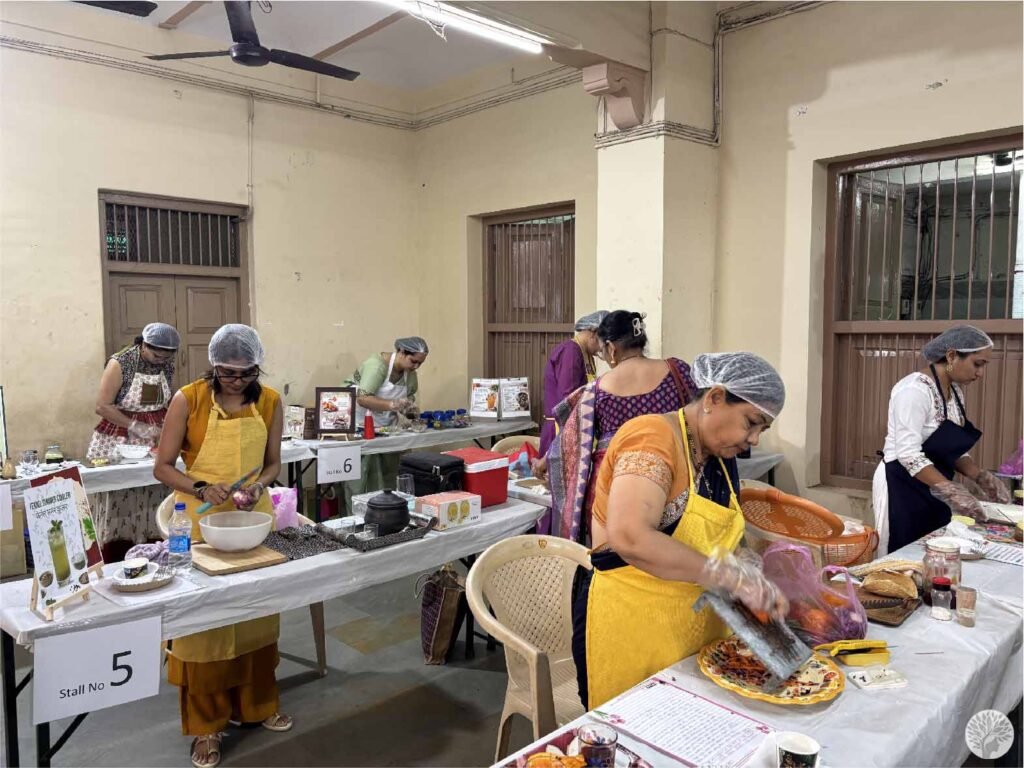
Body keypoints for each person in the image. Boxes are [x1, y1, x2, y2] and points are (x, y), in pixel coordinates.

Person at [572, 352, 789, 709]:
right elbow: (630, 537)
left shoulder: (719, 459)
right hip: (632, 629)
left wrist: (750, 572)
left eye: (761, 430)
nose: (753, 439)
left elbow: (725, 542)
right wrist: (730, 578)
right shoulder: (653, 436)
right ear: (715, 398)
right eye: (751, 422)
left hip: (693, 635)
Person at [154, 324, 291, 768]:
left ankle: (257, 706)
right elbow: (162, 467)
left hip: (251, 519)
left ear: (257, 368)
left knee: (255, 614)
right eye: (226, 373)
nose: (235, 381)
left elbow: (272, 465)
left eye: (245, 373)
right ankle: (206, 727)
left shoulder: (269, 401)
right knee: (206, 627)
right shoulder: (188, 399)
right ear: (213, 367)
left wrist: (256, 486)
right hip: (199, 524)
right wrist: (199, 485)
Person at [536, 311, 698, 540]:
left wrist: (544, 463)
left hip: (613, 486)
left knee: (620, 553)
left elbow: (569, 442)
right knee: (667, 547)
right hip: (672, 480)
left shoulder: (597, 390)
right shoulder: (677, 370)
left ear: (611, 348)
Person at [872, 325, 1011, 556]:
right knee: (902, 554)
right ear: (952, 355)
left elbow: (950, 448)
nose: (980, 373)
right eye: (977, 364)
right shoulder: (913, 390)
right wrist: (951, 490)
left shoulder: (955, 392)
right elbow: (908, 455)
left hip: (933, 487)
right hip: (902, 487)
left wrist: (980, 476)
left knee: (935, 555)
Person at [86, 322, 180, 562]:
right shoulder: (121, 362)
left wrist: (168, 428)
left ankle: (154, 550)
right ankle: (116, 555)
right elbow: (102, 406)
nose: (160, 361)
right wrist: (135, 426)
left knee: (154, 488)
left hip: (155, 433)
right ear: (143, 345)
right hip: (119, 433)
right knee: (120, 494)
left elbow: (167, 400)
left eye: (166, 357)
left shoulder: (165, 365)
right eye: (156, 355)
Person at [343, 337, 428, 508]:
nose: (415, 367)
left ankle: (388, 514)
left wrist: (411, 413)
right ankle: (361, 519)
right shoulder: (377, 366)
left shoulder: (410, 375)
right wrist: (392, 404)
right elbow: (363, 398)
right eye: (413, 361)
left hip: (386, 428)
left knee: (389, 477)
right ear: (401, 352)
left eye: (420, 363)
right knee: (364, 480)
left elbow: (407, 402)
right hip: (359, 425)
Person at [540, 311, 608, 456]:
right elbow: (569, 398)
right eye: (603, 343)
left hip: (575, 426)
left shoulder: (587, 354)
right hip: (561, 429)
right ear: (593, 333)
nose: (601, 349)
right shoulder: (571, 352)